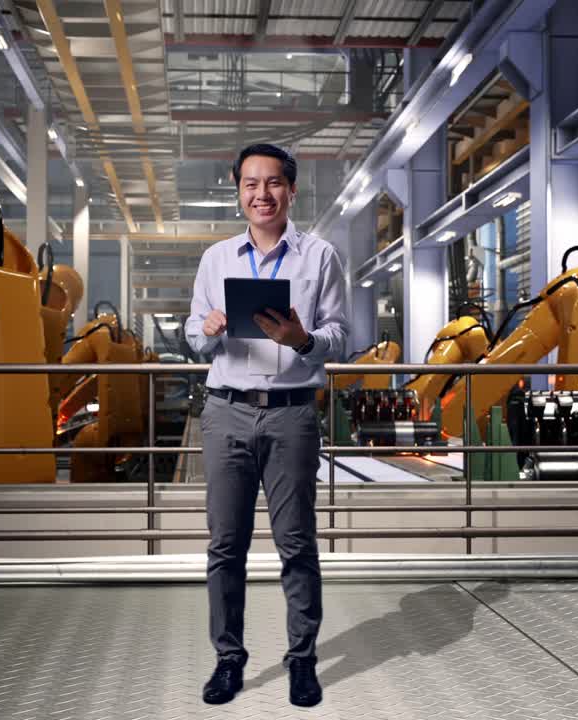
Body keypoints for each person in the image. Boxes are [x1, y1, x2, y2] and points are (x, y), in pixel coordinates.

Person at [185, 144, 349, 708]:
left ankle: (302, 660)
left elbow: (340, 336)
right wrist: (206, 328)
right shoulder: (216, 259)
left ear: (291, 190)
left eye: (273, 183)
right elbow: (193, 336)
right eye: (251, 184)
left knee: (297, 543)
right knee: (225, 546)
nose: (262, 194)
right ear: (238, 192)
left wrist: (302, 339)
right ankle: (228, 659)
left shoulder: (320, 257)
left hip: (291, 413)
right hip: (226, 410)